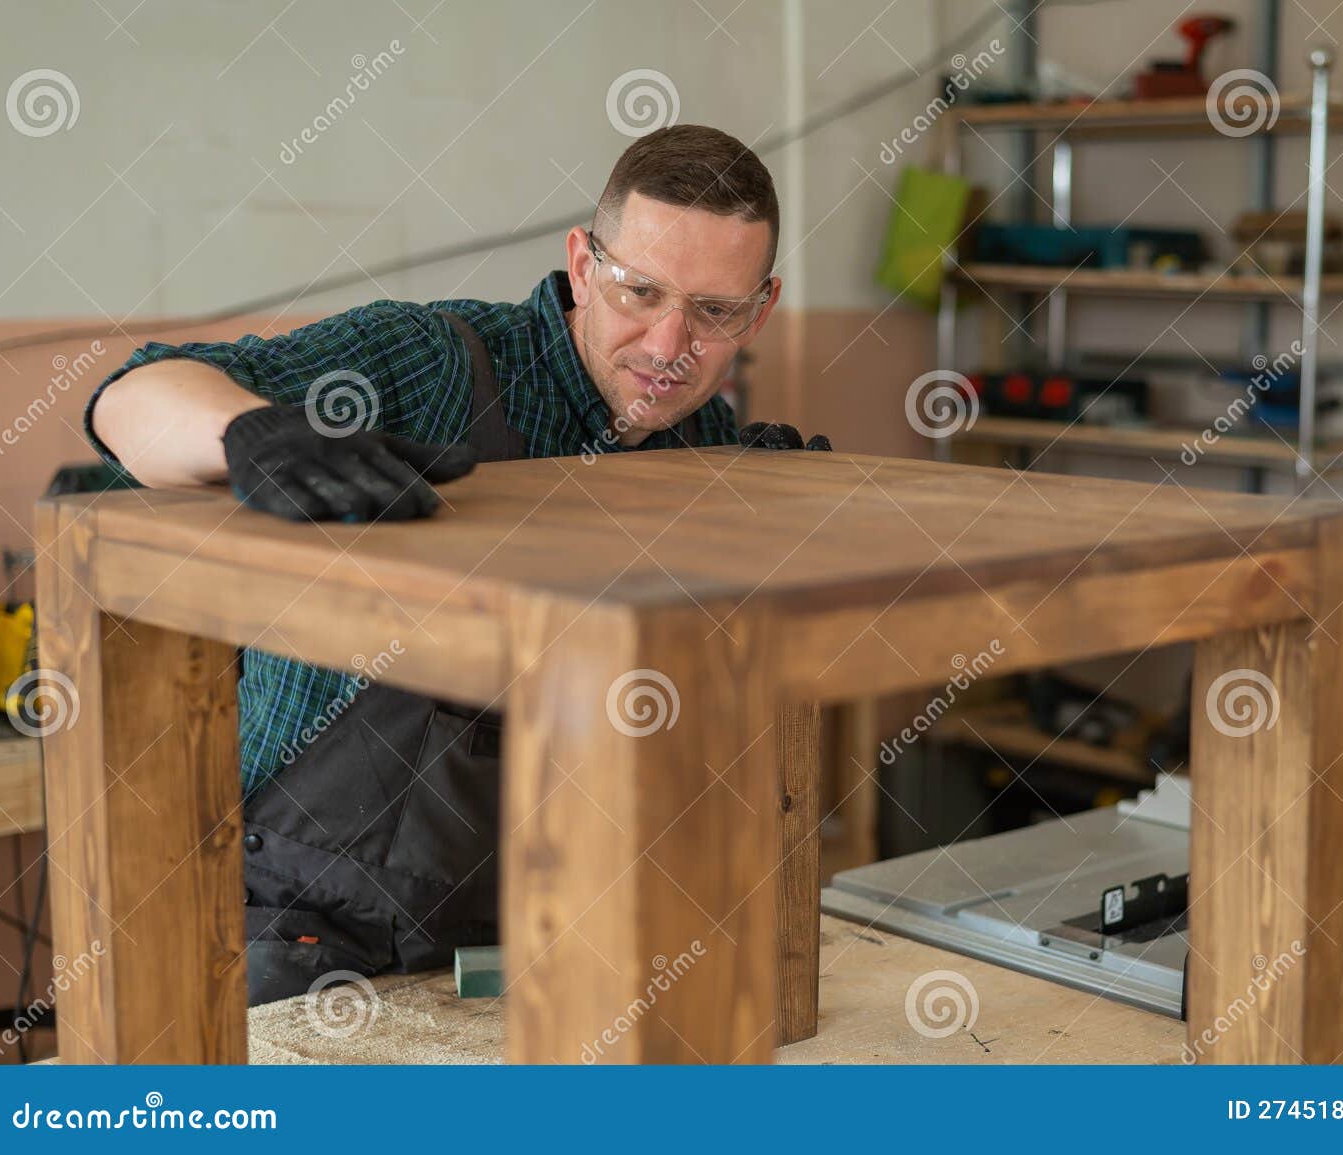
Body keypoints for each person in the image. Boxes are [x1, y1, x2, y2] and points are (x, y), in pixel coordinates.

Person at [86, 123, 827, 1004]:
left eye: (713, 314)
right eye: (639, 293)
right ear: (584, 265)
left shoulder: (704, 447)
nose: (669, 346)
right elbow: (131, 395)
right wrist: (243, 431)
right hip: (309, 932)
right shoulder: (435, 365)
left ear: (761, 308)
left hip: (543, 935)